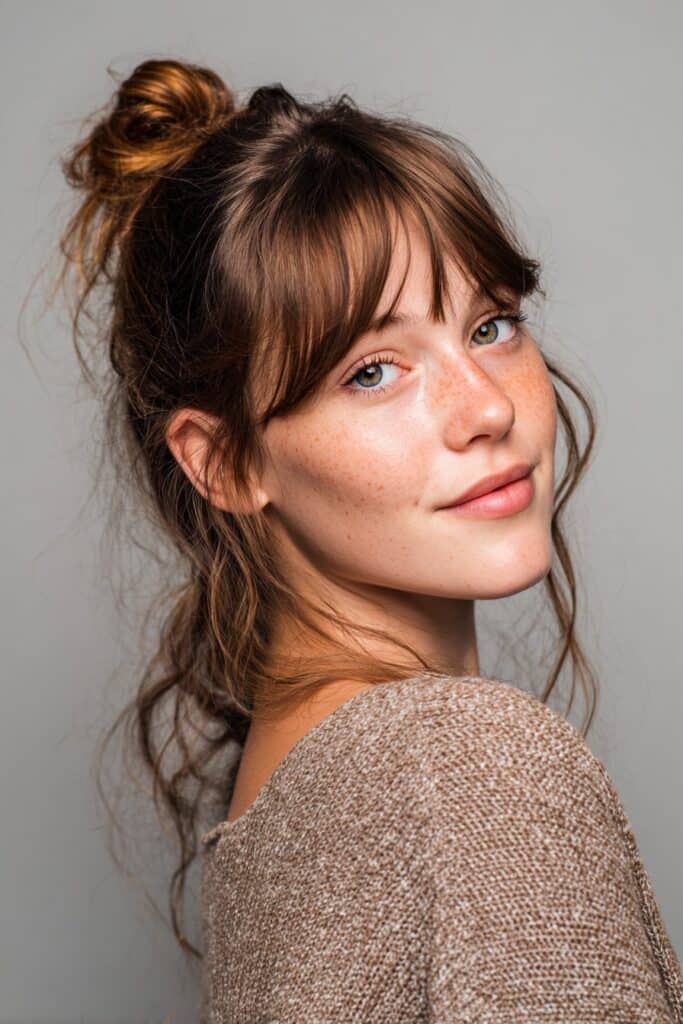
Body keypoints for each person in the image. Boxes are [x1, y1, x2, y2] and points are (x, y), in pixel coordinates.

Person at [49, 57, 682, 1021]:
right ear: (223, 463)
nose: (483, 409)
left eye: (491, 324)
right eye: (372, 372)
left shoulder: (274, 818)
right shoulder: (466, 771)